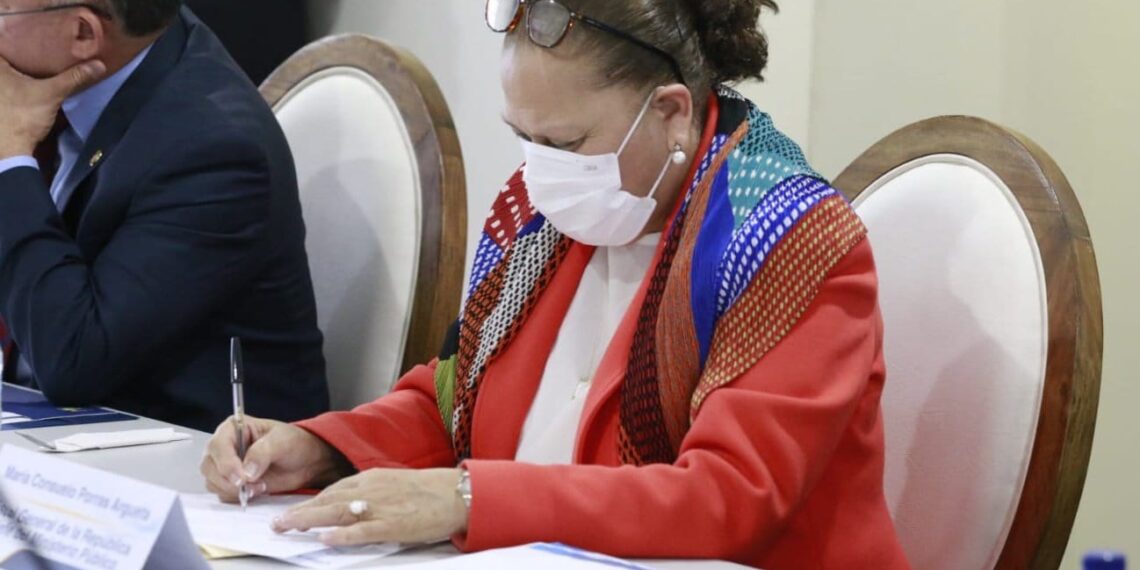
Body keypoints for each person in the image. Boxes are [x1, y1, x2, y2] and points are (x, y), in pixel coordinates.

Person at [201, 0, 909, 567]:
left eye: (565, 143)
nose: (540, 170)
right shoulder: (542, 214)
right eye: (523, 136)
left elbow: (725, 498)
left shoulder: (787, 236)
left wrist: (468, 499)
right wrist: (321, 447)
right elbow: (456, 404)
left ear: (671, 113)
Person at [0, 0, 329, 432]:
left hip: (185, 452)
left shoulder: (214, 151)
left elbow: (73, 359)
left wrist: (9, 154)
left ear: (83, 34)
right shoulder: (132, 47)